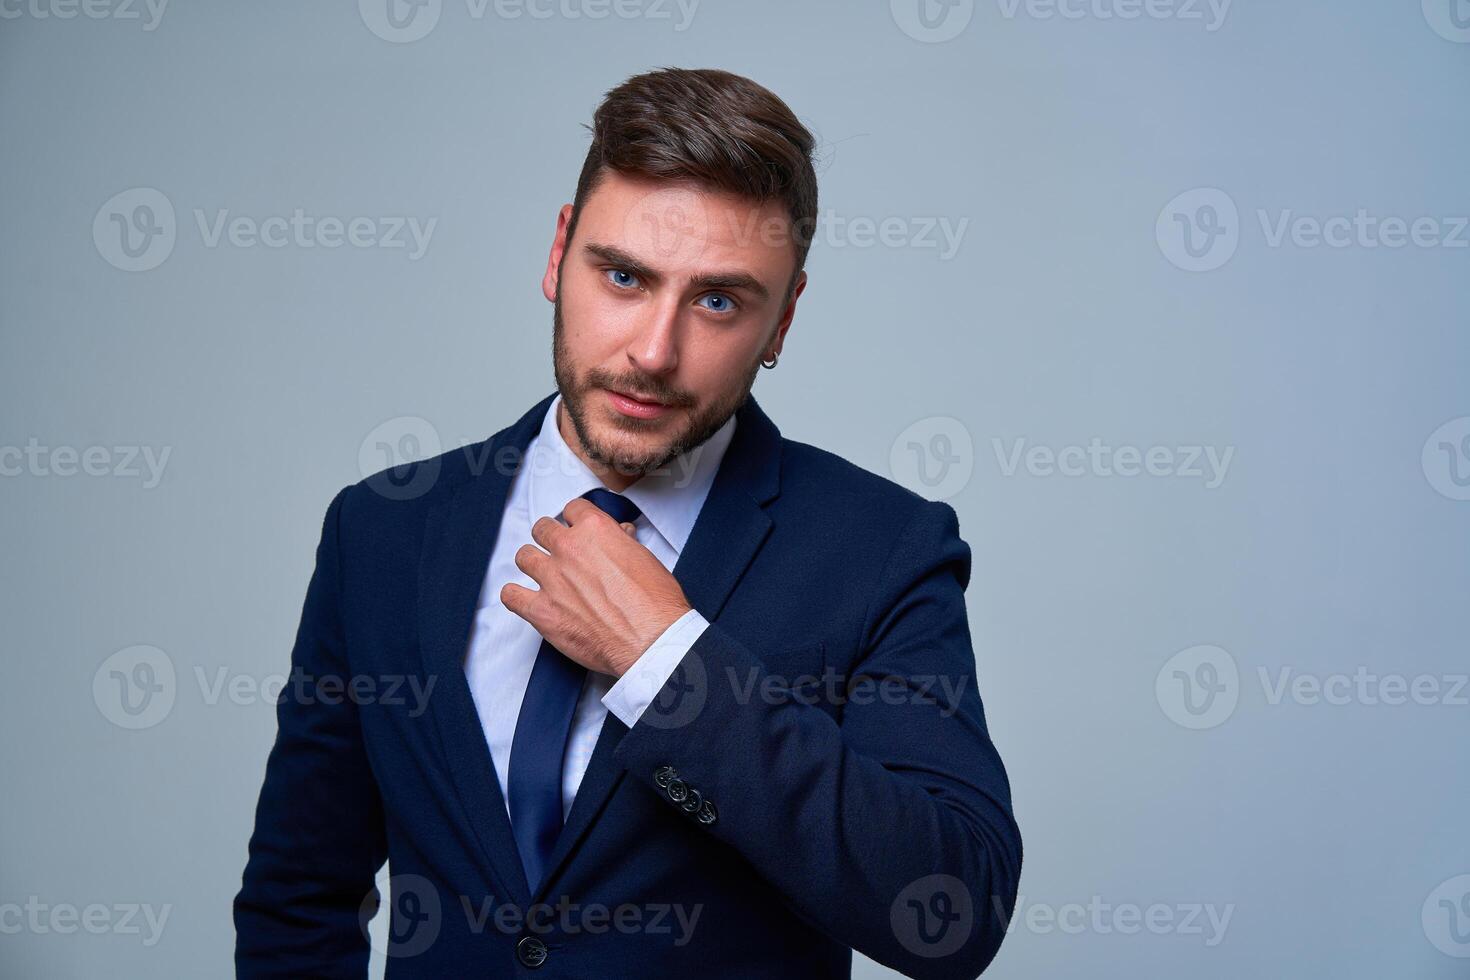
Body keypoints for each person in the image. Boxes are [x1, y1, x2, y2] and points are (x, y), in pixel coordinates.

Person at [234, 66, 1021, 979]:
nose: (653, 351)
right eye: (623, 276)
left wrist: (666, 661)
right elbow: (298, 896)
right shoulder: (380, 532)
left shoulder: (882, 550)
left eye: (719, 300)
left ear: (784, 318)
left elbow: (955, 909)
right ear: (558, 252)